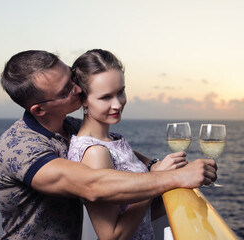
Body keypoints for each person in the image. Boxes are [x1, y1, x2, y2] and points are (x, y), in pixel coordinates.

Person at [0, 50, 218, 240]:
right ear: (39, 110)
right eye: (67, 90)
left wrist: (151, 164)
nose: (79, 89)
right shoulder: (20, 149)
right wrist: (172, 177)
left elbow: (115, 149)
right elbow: (92, 184)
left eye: (72, 78)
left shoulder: (68, 125)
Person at [68, 49, 187, 240]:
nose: (117, 104)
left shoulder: (113, 139)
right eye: (105, 97)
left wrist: (175, 182)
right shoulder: (94, 152)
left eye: (120, 92)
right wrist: (158, 180)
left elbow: (140, 214)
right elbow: (111, 236)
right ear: (83, 100)